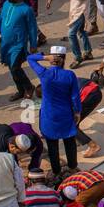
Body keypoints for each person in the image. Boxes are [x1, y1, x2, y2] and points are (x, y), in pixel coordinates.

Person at [27, 47, 82, 176]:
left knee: (52, 145)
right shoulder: (69, 75)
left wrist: (45, 57)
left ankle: (56, 171)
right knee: (69, 141)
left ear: (51, 59)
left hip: (49, 115)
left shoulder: (44, 73)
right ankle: (73, 167)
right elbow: (75, 96)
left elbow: (29, 58)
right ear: (64, 59)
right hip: (65, 113)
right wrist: (77, 111)